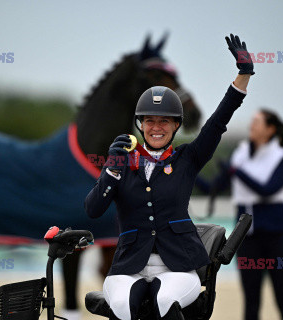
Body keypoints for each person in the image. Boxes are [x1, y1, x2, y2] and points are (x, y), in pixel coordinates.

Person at [84, 34, 254, 320]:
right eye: (150, 120)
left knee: (164, 300)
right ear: (141, 124)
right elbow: (93, 209)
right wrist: (112, 169)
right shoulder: (122, 162)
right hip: (128, 266)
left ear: (176, 125)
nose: (156, 127)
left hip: (178, 267)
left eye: (164, 121)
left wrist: (243, 75)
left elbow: (218, 122)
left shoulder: (187, 158)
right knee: (125, 307)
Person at [195, 109, 283, 320]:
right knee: (251, 302)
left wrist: (236, 171)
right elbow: (212, 188)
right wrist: (187, 173)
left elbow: (268, 189)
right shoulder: (241, 153)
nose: (251, 126)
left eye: (256, 122)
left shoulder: (282, 157)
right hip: (247, 240)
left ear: (270, 129)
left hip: (276, 239)